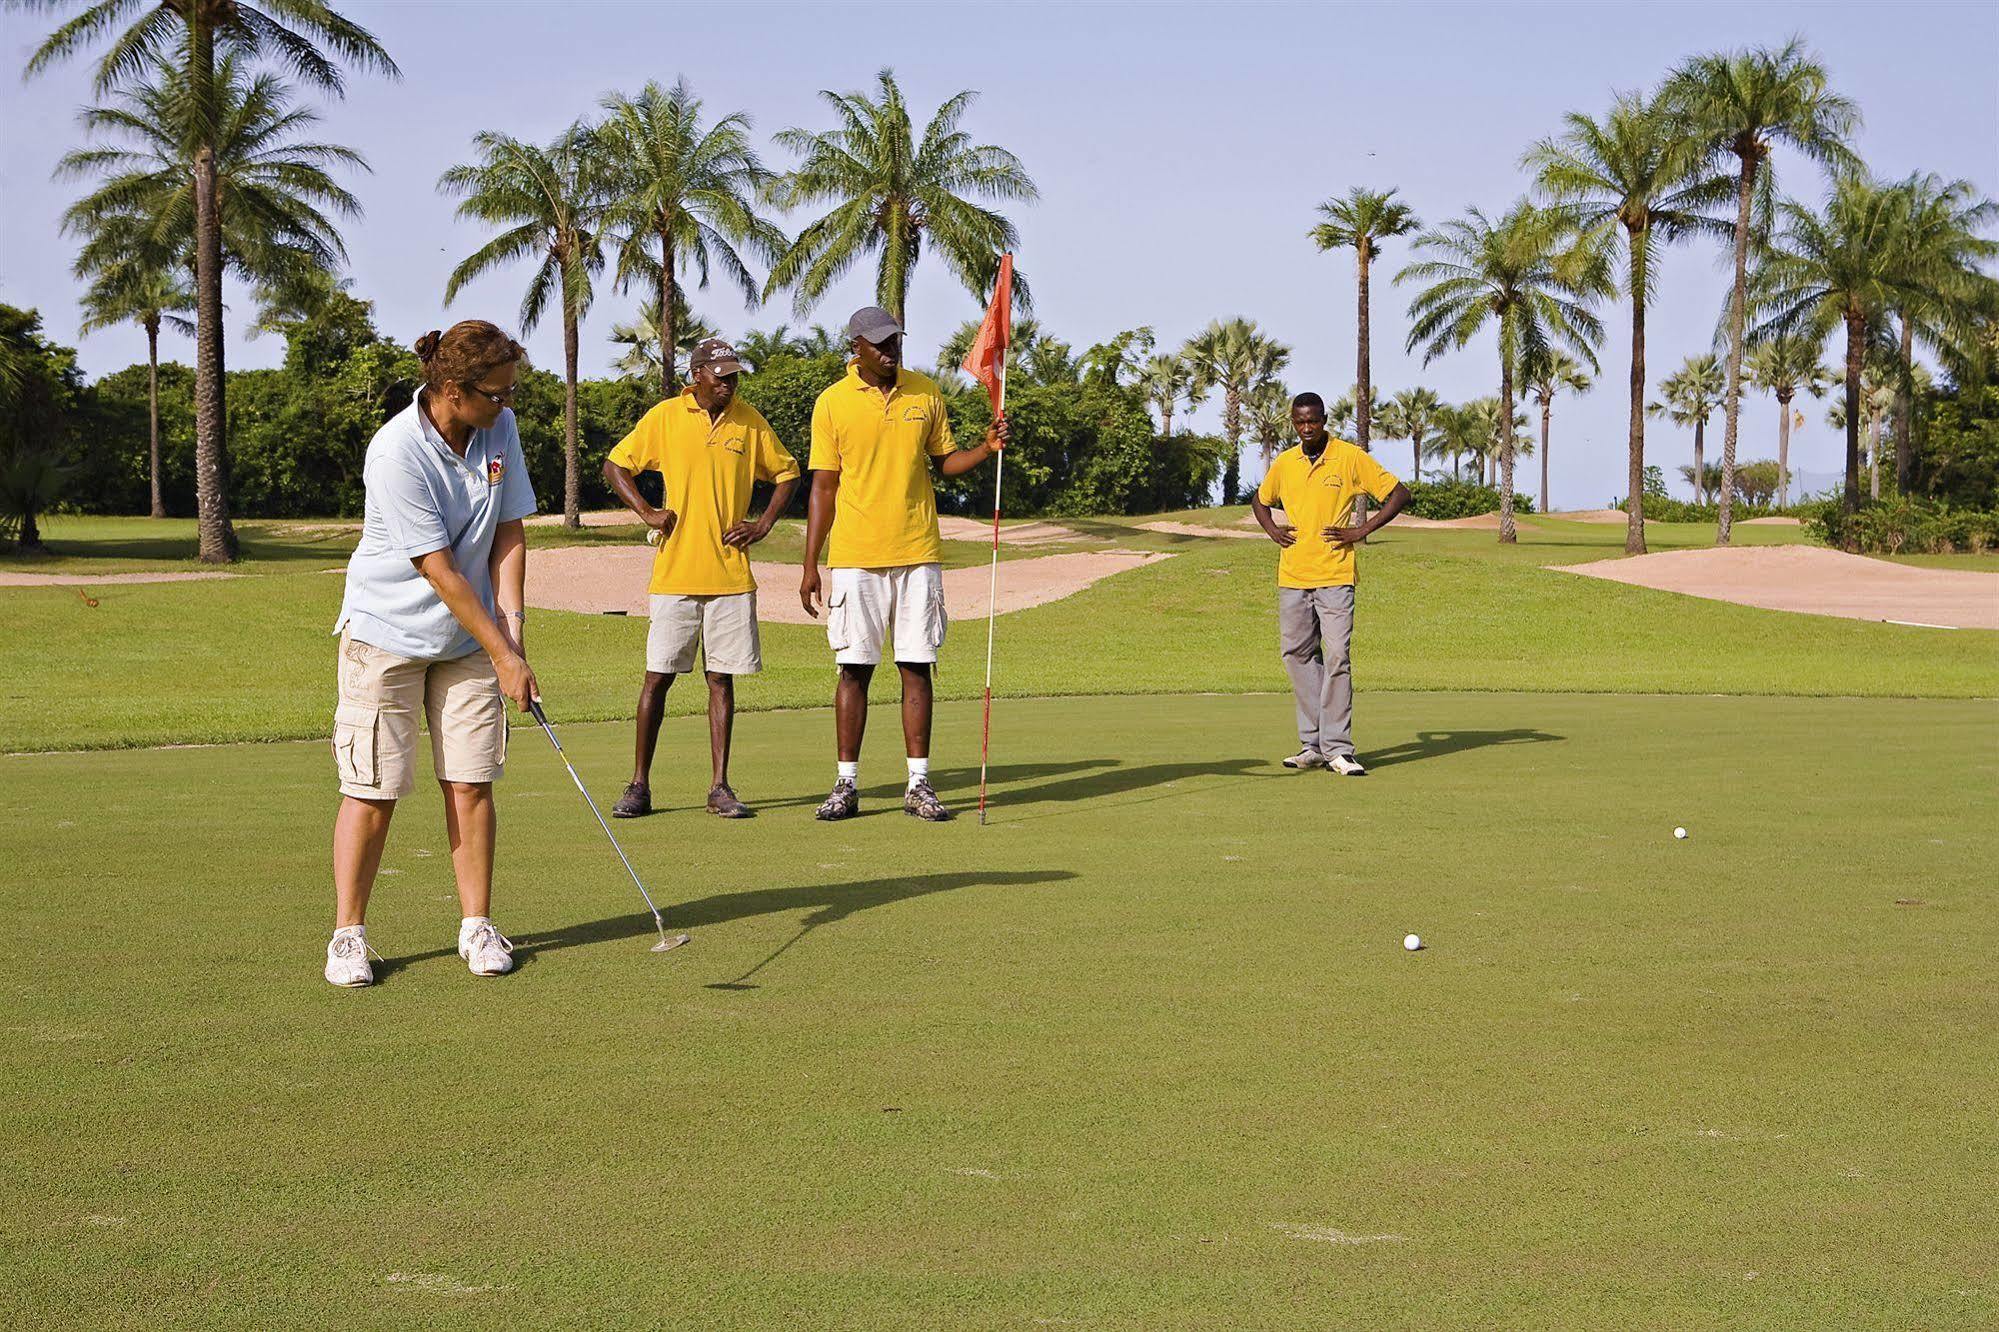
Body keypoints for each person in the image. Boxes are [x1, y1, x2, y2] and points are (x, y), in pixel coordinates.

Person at [325, 321, 541, 987]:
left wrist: (513, 630)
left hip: (468, 636)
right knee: (373, 790)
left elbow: (508, 530)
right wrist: (502, 655)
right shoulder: (396, 452)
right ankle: (348, 937)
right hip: (386, 634)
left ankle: (476, 925)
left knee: (472, 782)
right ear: (452, 389)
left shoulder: (497, 427)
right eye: (497, 393)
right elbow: (440, 570)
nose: (506, 404)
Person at [799, 306, 1007, 821]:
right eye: (880, 345)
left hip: (918, 553)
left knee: (917, 666)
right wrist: (810, 564)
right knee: (854, 670)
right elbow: (823, 487)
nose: (891, 352)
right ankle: (846, 785)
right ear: (857, 349)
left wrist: (985, 447)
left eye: (895, 342)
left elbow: (946, 464)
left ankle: (919, 783)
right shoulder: (832, 403)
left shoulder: (925, 393)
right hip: (855, 557)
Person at [601, 338, 801, 819]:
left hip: (731, 576)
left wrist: (763, 523)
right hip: (675, 575)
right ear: (697, 375)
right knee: (658, 679)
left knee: (721, 681)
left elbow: (787, 473)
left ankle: (720, 788)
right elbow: (615, 465)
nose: (729, 384)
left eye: (734, 376)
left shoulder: (749, 421)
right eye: (721, 376)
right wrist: (646, 511)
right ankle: (638, 786)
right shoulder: (666, 415)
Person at [1250, 391, 1410, 776]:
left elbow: (1399, 493)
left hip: (1335, 574)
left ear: (1325, 419)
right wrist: (1272, 529)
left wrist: (1361, 530)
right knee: (1297, 656)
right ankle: (1314, 745)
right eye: (1300, 422)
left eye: (1313, 421)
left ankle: (1339, 748)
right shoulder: (1285, 462)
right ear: (1293, 422)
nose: (1307, 428)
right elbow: (1260, 500)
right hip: (1292, 576)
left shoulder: (1349, 457)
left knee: (1337, 655)